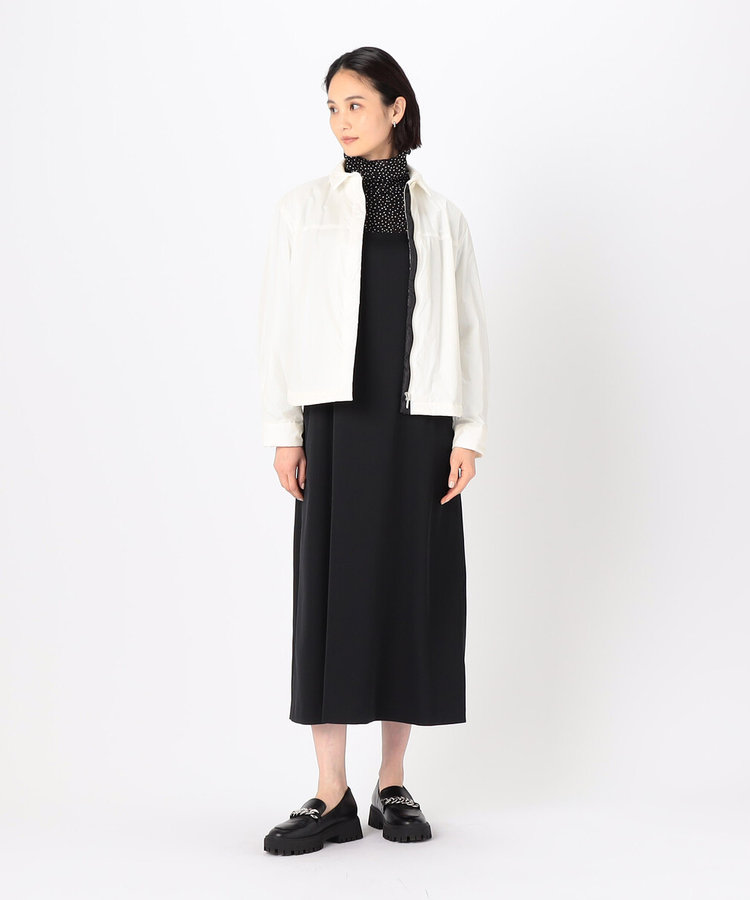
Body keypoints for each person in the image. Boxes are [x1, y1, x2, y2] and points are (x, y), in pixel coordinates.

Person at [258, 46, 490, 856]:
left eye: (355, 104)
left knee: (409, 592)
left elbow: (468, 330)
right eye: (331, 106)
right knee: (331, 594)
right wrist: (285, 430)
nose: (340, 121)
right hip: (336, 422)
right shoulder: (303, 210)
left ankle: (392, 783)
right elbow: (278, 323)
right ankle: (331, 792)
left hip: (418, 422)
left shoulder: (443, 217)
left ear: (396, 109)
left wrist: (469, 436)